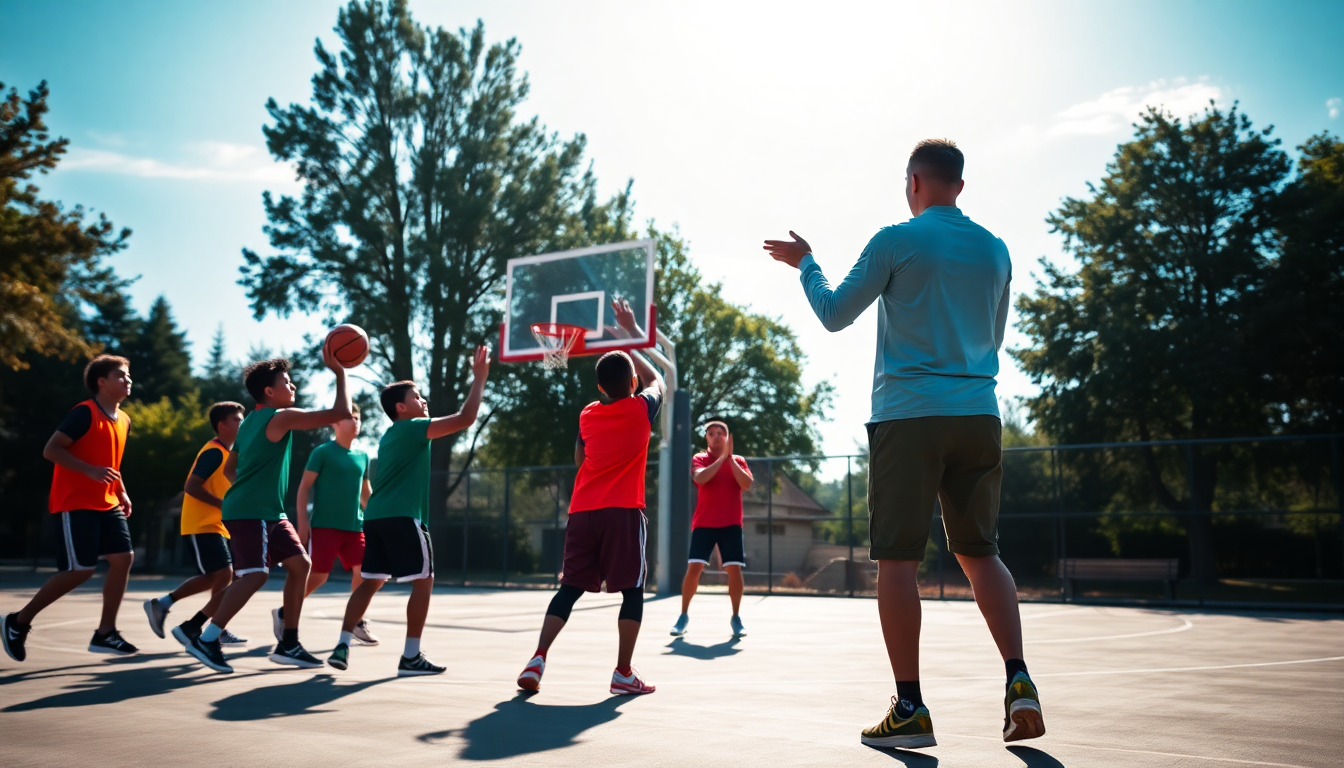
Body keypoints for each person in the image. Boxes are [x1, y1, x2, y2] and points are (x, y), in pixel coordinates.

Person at [763, 139, 1043, 748]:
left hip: (909, 416)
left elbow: (835, 312)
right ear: (959, 186)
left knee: (897, 560)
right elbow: (992, 340)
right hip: (978, 414)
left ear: (913, 181)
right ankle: (1020, 681)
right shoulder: (997, 251)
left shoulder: (896, 239)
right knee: (980, 552)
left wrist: (808, 263)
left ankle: (911, 708)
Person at [516, 299, 661, 696]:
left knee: (571, 588)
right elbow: (658, 381)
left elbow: (580, 458)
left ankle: (538, 657)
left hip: (583, 512)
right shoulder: (640, 409)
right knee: (632, 590)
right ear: (631, 383)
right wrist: (632, 338)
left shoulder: (587, 414)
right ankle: (623, 672)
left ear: (599, 387)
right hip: (623, 512)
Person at [183, 350, 352, 674]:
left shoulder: (249, 424)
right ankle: (207, 638)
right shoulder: (280, 417)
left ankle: (288, 642)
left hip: (268, 511)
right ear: (270, 392)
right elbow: (341, 412)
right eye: (286, 382)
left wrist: (254, 484)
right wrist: (340, 372)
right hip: (251, 511)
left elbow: (232, 468)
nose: (293, 386)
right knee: (256, 575)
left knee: (301, 564)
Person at [326, 346, 490, 676]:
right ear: (401, 407)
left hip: (374, 518)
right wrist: (480, 378)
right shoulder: (415, 428)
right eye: (417, 397)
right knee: (424, 581)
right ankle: (411, 656)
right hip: (403, 518)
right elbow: (466, 419)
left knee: (369, 583)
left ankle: (343, 643)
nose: (423, 401)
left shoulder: (388, 436)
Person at [3, 355, 139, 662]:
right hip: (75, 502)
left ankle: (106, 633)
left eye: (128, 375)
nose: (127, 380)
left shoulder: (125, 420)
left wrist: (122, 492)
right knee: (81, 570)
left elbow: (113, 464)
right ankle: (18, 621)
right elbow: (51, 450)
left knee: (123, 559)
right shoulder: (84, 413)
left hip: (107, 502)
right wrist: (89, 471)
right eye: (120, 375)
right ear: (101, 382)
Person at [142, 402, 249, 648]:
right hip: (201, 524)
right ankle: (210, 627)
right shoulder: (213, 451)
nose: (241, 425)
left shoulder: (228, 454)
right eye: (237, 420)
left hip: (215, 526)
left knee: (214, 577)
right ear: (222, 425)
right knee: (225, 574)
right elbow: (191, 486)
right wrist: (222, 505)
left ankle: (164, 604)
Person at [294, 403, 379, 646]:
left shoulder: (362, 456)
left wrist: (377, 519)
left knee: (365, 572)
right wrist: (302, 523)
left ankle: (355, 622)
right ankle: (285, 612)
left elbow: (365, 493)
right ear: (334, 423)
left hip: (355, 527)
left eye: (357, 418)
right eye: (350, 418)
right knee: (319, 576)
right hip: (325, 526)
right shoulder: (322, 452)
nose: (355, 422)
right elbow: (304, 487)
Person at [670, 420, 753, 639]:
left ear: (727, 437)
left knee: (734, 571)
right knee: (694, 568)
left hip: (731, 525)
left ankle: (736, 618)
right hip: (704, 524)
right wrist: (721, 460)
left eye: (721, 433)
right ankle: (683, 616)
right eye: (712, 433)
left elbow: (746, 484)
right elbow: (701, 478)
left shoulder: (739, 461)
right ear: (706, 438)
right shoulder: (699, 459)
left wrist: (730, 460)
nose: (716, 436)